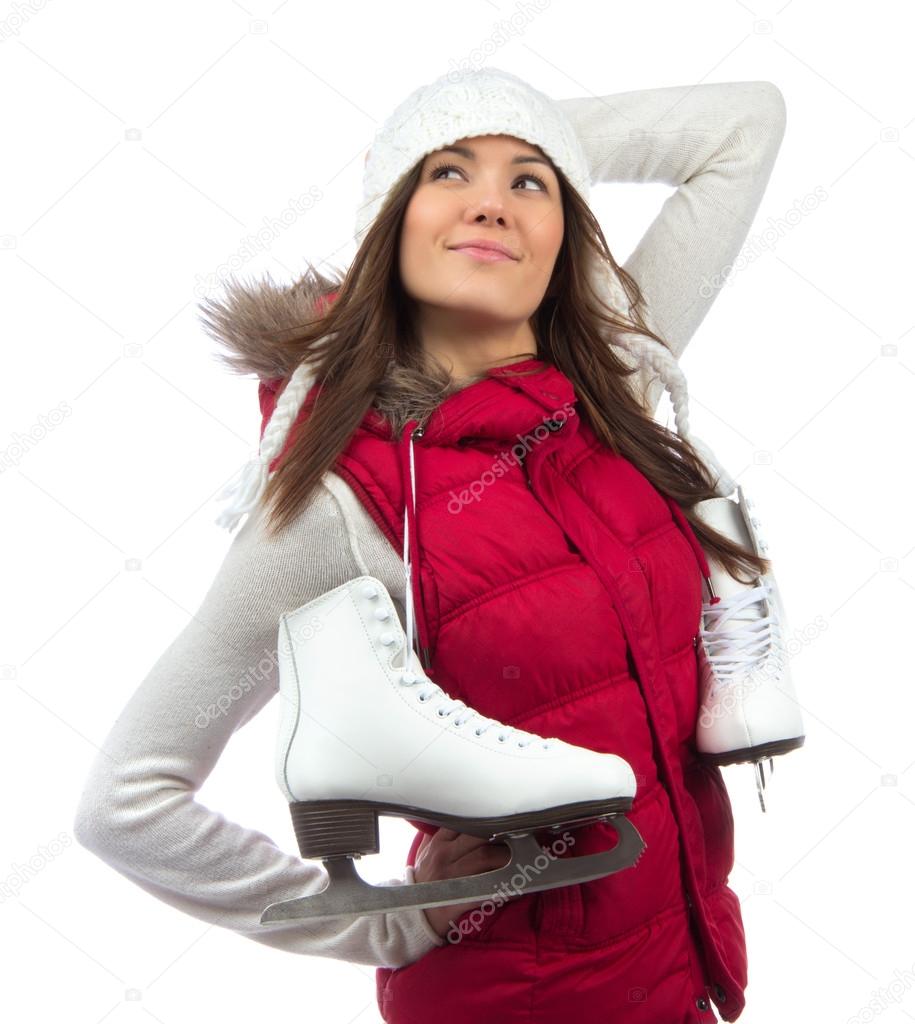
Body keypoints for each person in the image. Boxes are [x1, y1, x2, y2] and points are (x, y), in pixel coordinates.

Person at [73, 67, 787, 1023]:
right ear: (389, 221)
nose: (490, 203)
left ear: (566, 235)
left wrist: (509, 136)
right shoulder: (342, 507)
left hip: (679, 978)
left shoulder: (613, 389)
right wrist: (388, 924)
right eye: (444, 176)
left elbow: (742, 125)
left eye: (529, 185)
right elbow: (126, 804)